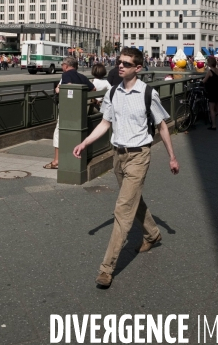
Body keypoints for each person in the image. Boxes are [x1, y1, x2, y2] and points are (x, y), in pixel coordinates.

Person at [73, 47, 180, 288]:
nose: (120, 66)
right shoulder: (112, 93)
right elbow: (105, 123)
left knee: (122, 209)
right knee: (133, 201)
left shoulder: (147, 94)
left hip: (139, 156)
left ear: (138, 68)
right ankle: (152, 234)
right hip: (117, 156)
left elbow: (162, 126)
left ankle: (106, 268)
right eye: (119, 62)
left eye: (126, 63)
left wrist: (172, 157)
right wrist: (85, 142)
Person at [44, 56, 95, 170]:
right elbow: (93, 89)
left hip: (67, 109)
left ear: (66, 66)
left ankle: (57, 160)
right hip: (80, 109)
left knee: (59, 132)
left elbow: (68, 87)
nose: (62, 67)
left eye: (62, 65)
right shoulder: (82, 76)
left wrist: (58, 89)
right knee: (75, 132)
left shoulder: (66, 74)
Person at [202, 56, 218, 130]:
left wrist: (201, 81)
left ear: (209, 63)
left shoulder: (210, 72)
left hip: (212, 92)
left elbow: (204, 81)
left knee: (211, 109)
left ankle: (214, 125)